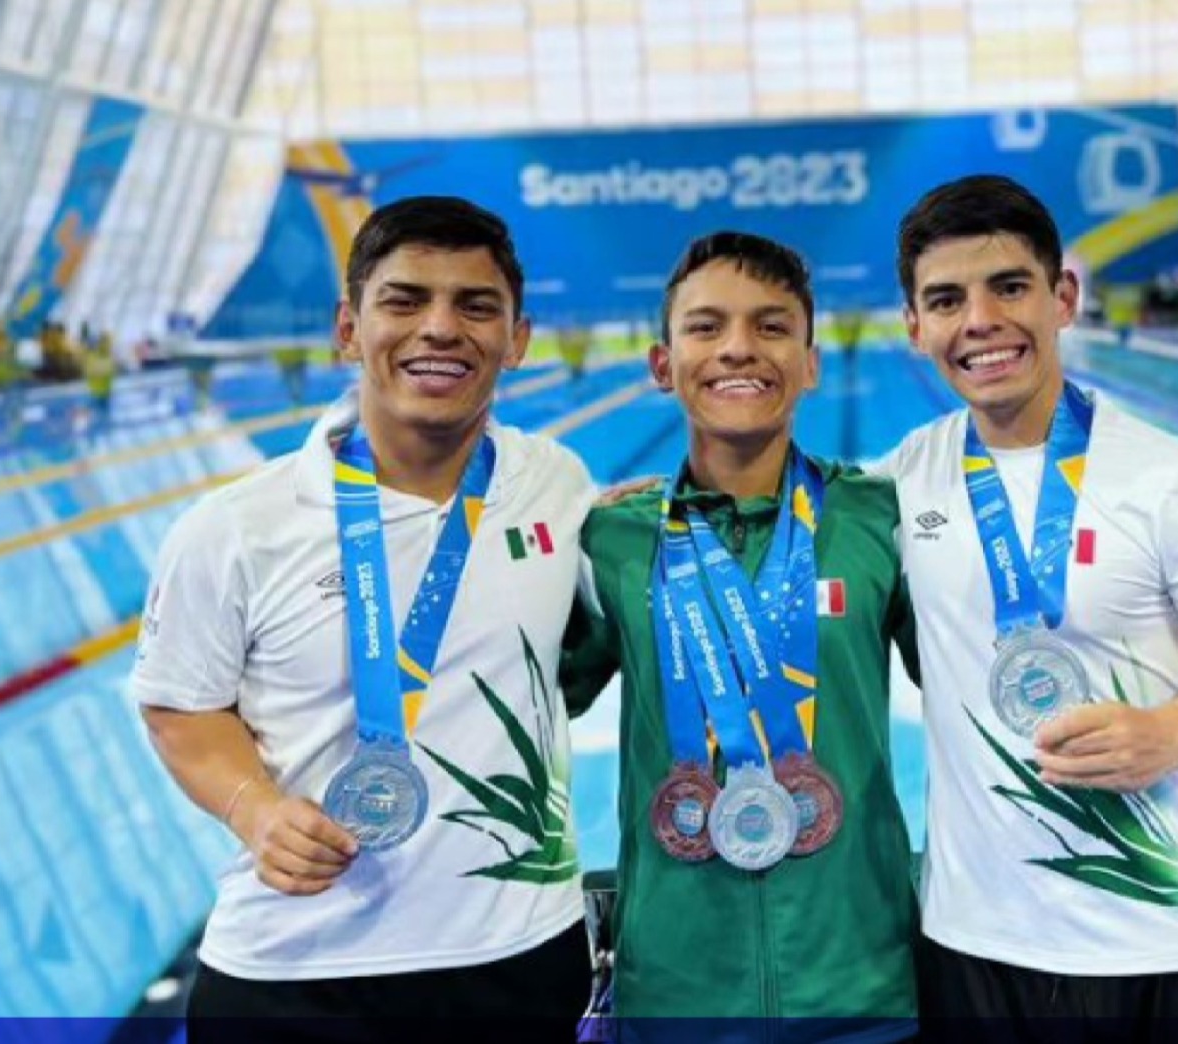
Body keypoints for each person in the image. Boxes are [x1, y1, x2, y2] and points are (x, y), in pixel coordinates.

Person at [131, 196, 594, 1041]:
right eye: (405, 300)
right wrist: (253, 807)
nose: (440, 328)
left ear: (517, 340)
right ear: (350, 327)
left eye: (475, 306)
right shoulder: (239, 525)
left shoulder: (556, 484)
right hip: (295, 971)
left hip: (516, 953)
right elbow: (176, 704)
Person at [875, 174, 1178, 1042]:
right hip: (975, 941)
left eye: (1009, 287)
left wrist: (1171, 733)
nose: (979, 321)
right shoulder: (900, 479)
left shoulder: (1175, 476)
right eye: (946, 300)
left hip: (1166, 933)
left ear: (1062, 297)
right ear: (915, 328)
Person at [562, 231, 921, 1043]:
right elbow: (514, 692)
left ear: (810, 360)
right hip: (677, 991)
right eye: (705, 326)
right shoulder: (611, 538)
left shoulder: (878, 518)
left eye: (770, 326)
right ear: (662, 364)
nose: (737, 348)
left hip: (861, 985)